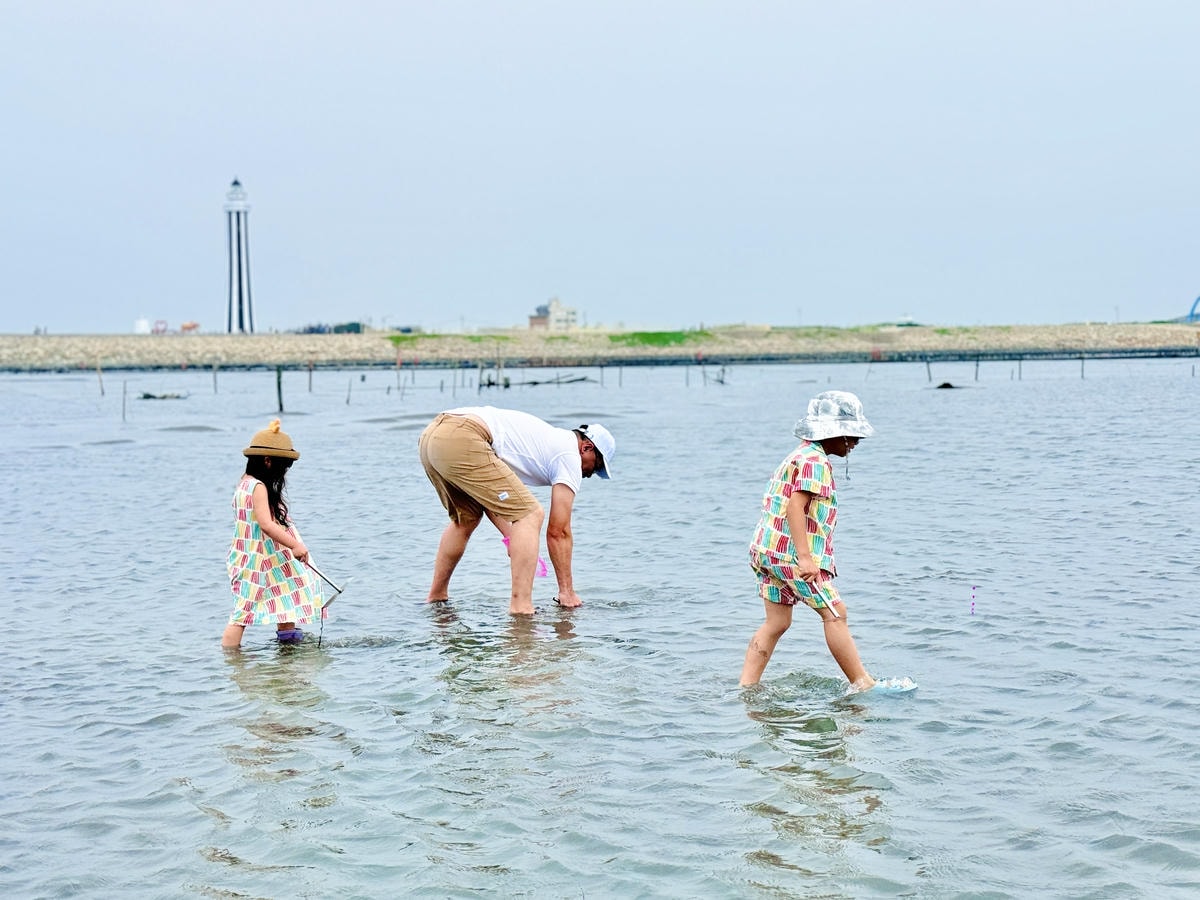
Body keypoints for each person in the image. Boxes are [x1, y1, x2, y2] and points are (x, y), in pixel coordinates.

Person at [418, 406, 615, 615]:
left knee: (466, 518)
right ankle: (521, 608)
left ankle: (436, 598)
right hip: (464, 435)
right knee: (531, 514)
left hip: (433, 437)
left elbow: (488, 498)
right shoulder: (569, 455)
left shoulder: (538, 444)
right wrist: (567, 592)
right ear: (586, 447)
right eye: (597, 466)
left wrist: (511, 536)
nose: (592, 473)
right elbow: (559, 532)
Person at [740, 391, 877, 690]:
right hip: (790, 555)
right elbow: (794, 506)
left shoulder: (797, 456)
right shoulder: (815, 461)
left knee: (777, 622)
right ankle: (863, 683)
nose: (855, 442)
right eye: (850, 435)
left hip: (766, 552)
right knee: (835, 613)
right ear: (832, 433)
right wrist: (805, 557)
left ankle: (746, 687)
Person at [222, 419, 324, 649]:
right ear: (267, 461)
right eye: (282, 466)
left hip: (263, 558)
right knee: (242, 614)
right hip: (255, 562)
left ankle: (288, 649)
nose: (285, 472)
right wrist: (295, 545)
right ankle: (231, 661)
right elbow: (266, 525)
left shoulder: (244, 483)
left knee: (286, 597)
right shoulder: (257, 486)